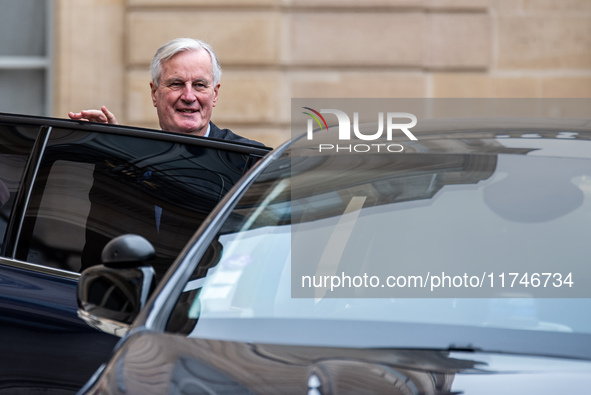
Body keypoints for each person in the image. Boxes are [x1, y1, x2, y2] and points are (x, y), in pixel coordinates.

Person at [69, 37, 263, 146]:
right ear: (154, 93)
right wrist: (113, 147)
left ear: (215, 94)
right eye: (176, 84)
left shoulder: (249, 159)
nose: (188, 97)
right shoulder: (132, 159)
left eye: (199, 85)